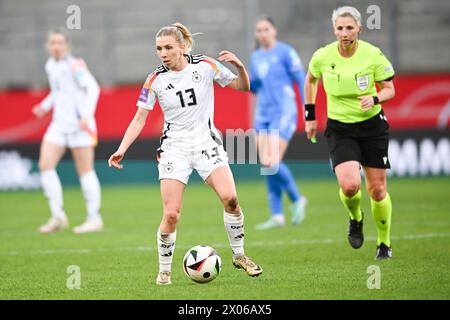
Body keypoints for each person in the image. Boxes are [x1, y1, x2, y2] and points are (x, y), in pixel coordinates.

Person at [108, 23, 263, 285]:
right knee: (171, 214)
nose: (163, 53)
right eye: (159, 49)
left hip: (207, 145)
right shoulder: (154, 79)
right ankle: (164, 271)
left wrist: (241, 67)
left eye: (168, 47)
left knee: (232, 199)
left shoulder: (205, 65)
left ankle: (240, 256)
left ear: (182, 47)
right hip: (174, 150)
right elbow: (139, 118)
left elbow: (242, 87)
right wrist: (121, 149)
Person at [304, 6, 396, 259]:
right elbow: (311, 79)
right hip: (340, 128)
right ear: (334, 30)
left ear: (359, 29)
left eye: (349, 28)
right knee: (349, 185)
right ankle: (356, 218)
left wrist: (375, 97)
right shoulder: (322, 56)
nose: (344, 33)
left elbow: (390, 89)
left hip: (372, 127)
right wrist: (310, 116)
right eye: (340, 28)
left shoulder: (372, 55)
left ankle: (384, 243)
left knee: (377, 190)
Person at [33, 29, 103, 234]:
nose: (56, 46)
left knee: (85, 170)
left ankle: (94, 218)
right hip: (59, 124)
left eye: (60, 43)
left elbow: (93, 88)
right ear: (48, 45)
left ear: (66, 45)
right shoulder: (50, 65)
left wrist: (86, 115)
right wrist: (44, 106)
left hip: (79, 125)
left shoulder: (75, 64)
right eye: (53, 42)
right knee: (45, 165)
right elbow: (57, 91)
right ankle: (58, 216)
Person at [249, 17, 308, 230]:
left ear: (274, 30)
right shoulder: (255, 57)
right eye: (259, 30)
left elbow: (301, 80)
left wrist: (306, 108)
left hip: (283, 110)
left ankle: (297, 198)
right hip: (262, 113)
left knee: (270, 160)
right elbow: (255, 86)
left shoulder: (285, 52)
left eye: (266, 29)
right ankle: (277, 215)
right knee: (268, 165)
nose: (263, 33)